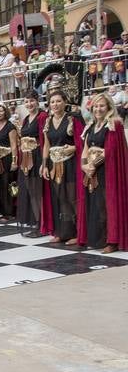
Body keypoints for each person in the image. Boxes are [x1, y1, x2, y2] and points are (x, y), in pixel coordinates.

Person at [77, 91, 128, 253]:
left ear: (109, 107)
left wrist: (92, 165)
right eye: (96, 106)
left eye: (102, 106)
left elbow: (110, 150)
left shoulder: (114, 124)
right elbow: (85, 148)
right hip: (92, 172)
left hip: (108, 171)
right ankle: (98, 238)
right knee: (96, 205)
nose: (98, 109)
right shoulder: (91, 125)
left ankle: (112, 240)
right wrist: (84, 166)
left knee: (108, 205)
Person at [42, 88, 83, 244]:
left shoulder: (72, 119)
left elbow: (82, 141)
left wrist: (74, 148)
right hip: (54, 164)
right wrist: (44, 165)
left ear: (65, 102)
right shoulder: (48, 121)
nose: (55, 104)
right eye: (52, 102)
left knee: (72, 198)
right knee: (60, 198)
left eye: (59, 101)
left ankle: (79, 232)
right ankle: (64, 232)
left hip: (70, 163)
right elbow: (46, 145)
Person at [17, 90, 48, 237]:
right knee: (32, 192)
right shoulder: (25, 119)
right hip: (26, 158)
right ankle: (37, 221)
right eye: (26, 101)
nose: (29, 104)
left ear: (37, 101)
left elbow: (45, 140)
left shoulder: (42, 116)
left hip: (37, 156)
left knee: (39, 192)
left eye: (32, 101)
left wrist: (44, 162)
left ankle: (43, 223)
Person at [0, 103, 19, 222]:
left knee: (9, 185)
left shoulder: (10, 127)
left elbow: (14, 145)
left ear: (5, 112)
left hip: (7, 159)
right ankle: (2, 210)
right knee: (0, 185)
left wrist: (14, 161)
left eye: (1, 111)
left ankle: (11, 211)